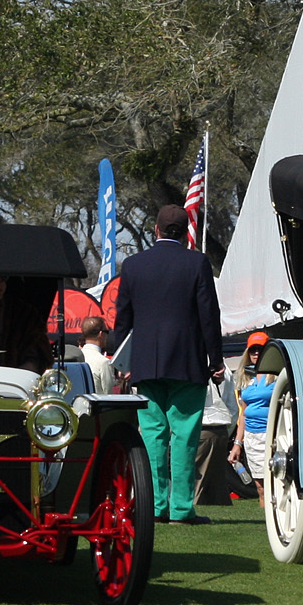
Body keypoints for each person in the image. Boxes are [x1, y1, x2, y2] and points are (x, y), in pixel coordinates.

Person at [113, 204, 224, 525]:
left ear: (156, 230)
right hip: (188, 364)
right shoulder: (197, 263)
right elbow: (209, 315)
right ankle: (180, 509)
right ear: (186, 232)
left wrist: (120, 361)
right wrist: (215, 360)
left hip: (145, 364)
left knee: (152, 436)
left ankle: (155, 506)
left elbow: (123, 317)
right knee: (185, 437)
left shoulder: (133, 265)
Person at [229, 360, 275, 506]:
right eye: (253, 349)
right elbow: (243, 413)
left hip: (273, 435)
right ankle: (265, 522)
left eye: (260, 349)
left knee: (276, 483)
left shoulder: (276, 376)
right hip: (251, 436)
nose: (256, 353)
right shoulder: (246, 378)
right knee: (260, 487)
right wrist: (237, 444)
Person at [195, 370, 238, 505]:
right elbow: (233, 408)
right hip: (221, 430)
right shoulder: (224, 368)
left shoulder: (191, 361)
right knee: (217, 483)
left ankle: (189, 510)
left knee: (195, 481)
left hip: (201, 428)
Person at [78, 315, 117, 393]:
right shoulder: (104, 362)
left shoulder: (76, 357)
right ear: (101, 334)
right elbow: (109, 395)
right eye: (107, 332)